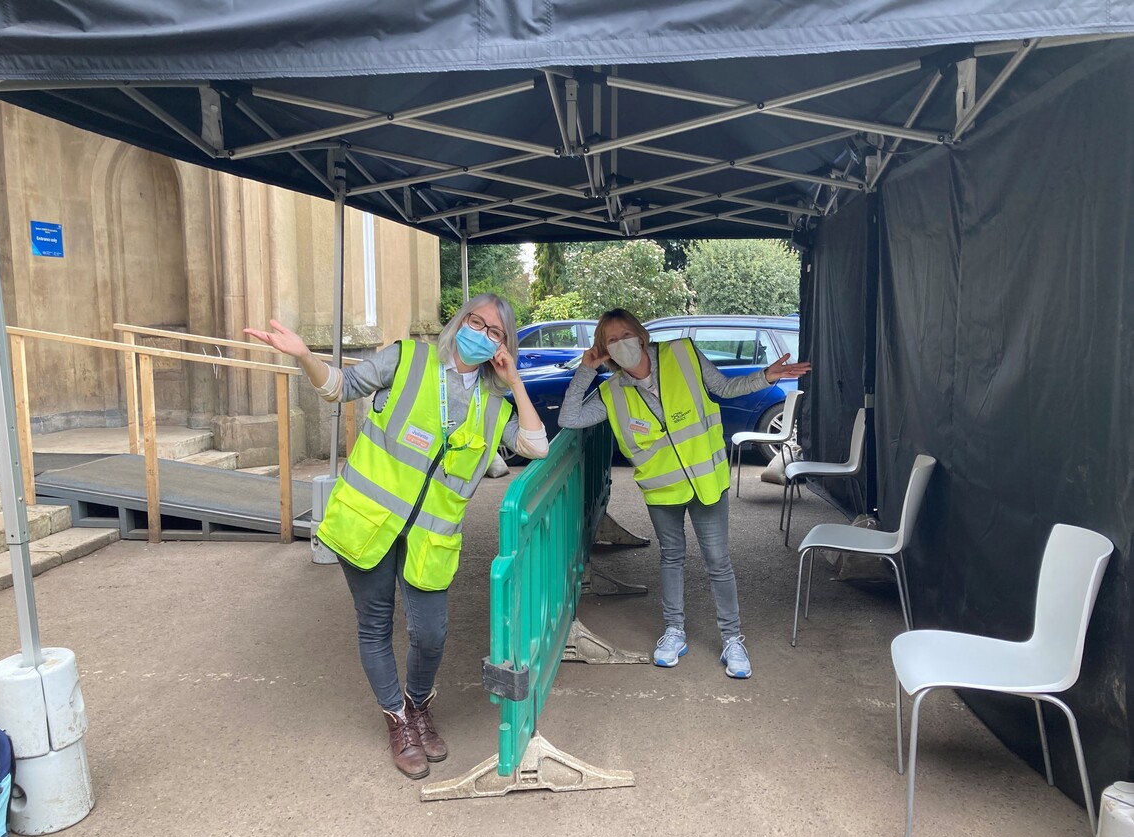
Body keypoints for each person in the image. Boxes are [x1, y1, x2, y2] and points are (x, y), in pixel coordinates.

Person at [245, 294, 548, 779]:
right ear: (459, 322)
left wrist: (514, 380)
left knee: (432, 634)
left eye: (495, 332)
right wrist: (304, 355)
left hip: (430, 538)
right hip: (368, 522)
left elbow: (536, 445)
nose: (482, 334)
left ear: (502, 345)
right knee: (375, 626)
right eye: (476, 322)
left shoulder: (494, 403)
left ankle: (419, 703)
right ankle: (399, 720)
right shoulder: (408, 358)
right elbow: (340, 387)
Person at [558, 308, 810, 678]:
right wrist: (586, 370)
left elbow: (724, 387)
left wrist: (766, 376)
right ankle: (673, 631)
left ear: (641, 335)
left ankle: (732, 639)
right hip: (663, 490)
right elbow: (568, 418)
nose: (621, 343)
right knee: (671, 557)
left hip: (706, 481)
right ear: (604, 350)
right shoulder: (610, 392)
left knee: (718, 561)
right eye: (611, 340)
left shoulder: (682, 353)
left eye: (625, 334)